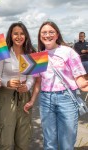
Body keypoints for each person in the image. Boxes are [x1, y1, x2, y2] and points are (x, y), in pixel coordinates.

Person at [24, 21, 88, 150]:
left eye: (51, 32)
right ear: (40, 36)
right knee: (49, 143)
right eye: (44, 32)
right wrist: (31, 100)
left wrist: (84, 84)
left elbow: (79, 78)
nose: (47, 35)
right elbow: (38, 81)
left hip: (67, 99)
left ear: (57, 34)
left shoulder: (68, 52)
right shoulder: (39, 56)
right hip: (46, 99)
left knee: (67, 142)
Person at [0, 22, 36, 150]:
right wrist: (7, 82)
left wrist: (27, 86)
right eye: (15, 33)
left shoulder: (31, 53)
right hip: (6, 96)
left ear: (26, 35)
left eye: (22, 33)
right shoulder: (2, 52)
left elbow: (31, 77)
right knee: (5, 133)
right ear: (10, 36)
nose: (19, 36)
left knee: (23, 136)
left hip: (24, 96)